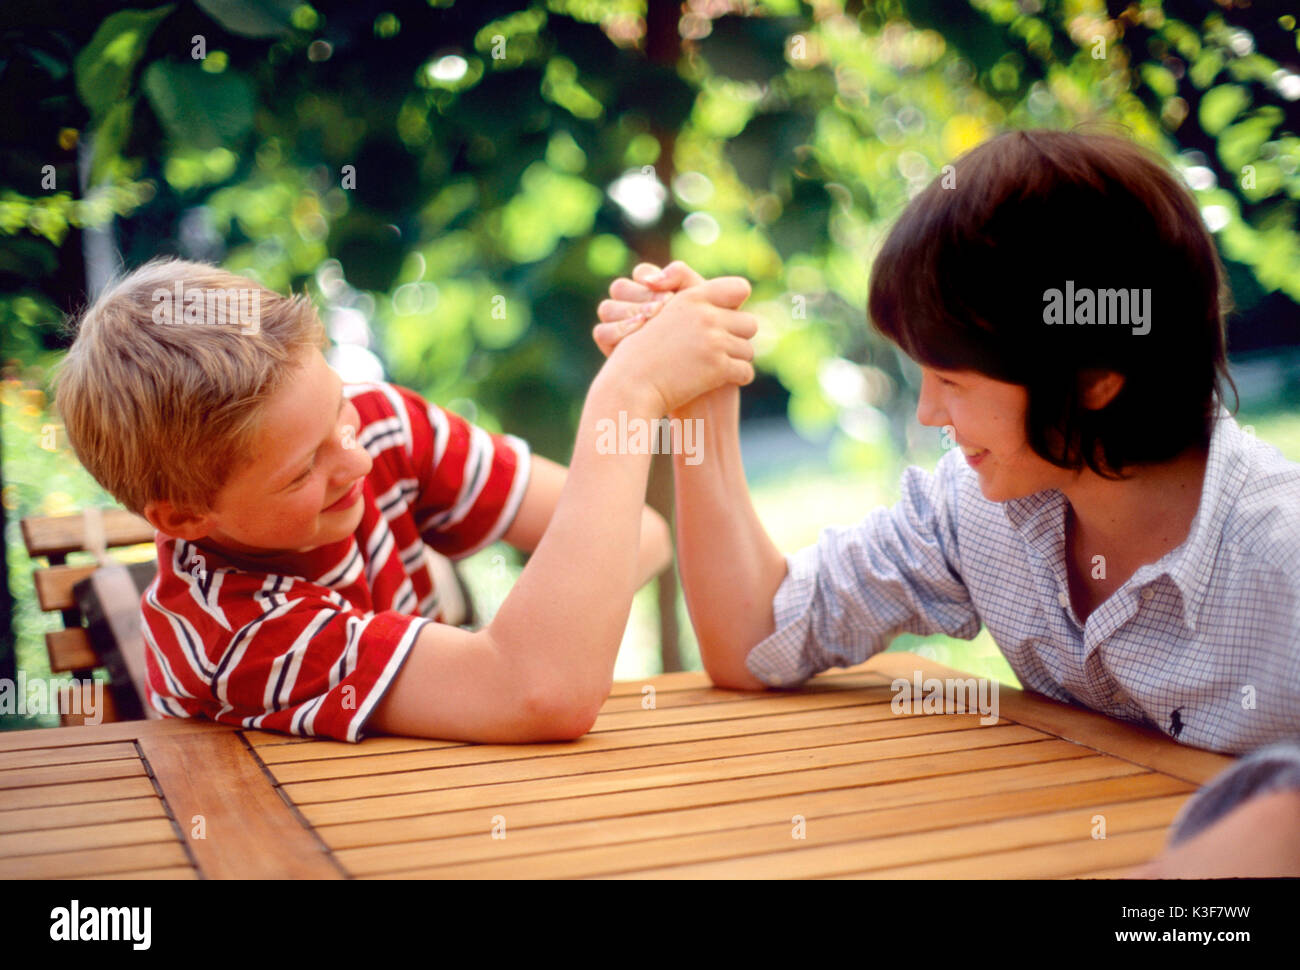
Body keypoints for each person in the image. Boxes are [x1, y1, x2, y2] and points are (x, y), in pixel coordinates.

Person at [593, 129, 1300, 877]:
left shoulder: (1280, 560)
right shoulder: (981, 509)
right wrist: (702, 399)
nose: (929, 411)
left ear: (1095, 377)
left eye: (954, 381)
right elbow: (755, 637)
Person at [55, 257, 758, 743]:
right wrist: (625, 395)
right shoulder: (232, 635)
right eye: (302, 474)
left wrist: (532, 641)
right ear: (182, 518)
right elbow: (543, 690)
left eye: (338, 412)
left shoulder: (380, 425)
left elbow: (644, 535)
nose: (356, 459)